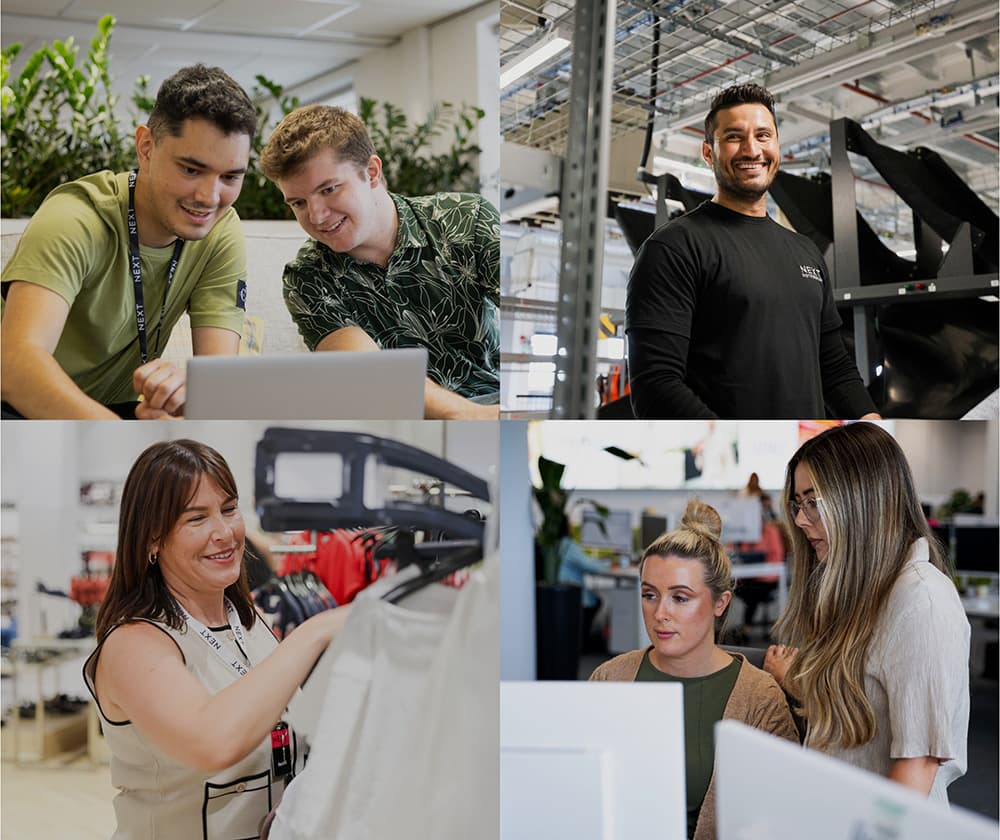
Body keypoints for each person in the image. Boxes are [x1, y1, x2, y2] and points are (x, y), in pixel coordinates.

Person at [83, 440, 351, 838]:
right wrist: (312, 633)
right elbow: (211, 742)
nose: (224, 533)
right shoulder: (135, 643)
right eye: (197, 519)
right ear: (153, 538)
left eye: (229, 509)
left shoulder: (249, 620)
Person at [1, 64, 255, 419]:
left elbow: (218, 382)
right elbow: (14, 366)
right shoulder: (75, 218)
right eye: (191, 170)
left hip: (119, 411)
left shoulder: (221, 230)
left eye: (230, 177)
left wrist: (183, 399)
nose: (209, 197)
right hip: (17, 406)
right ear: (146, 147)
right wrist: (120, 439)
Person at [625, 82, 881, 420]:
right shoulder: (673, 248)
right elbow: (656, 387)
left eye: (763, 136)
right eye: (733, 137)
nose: (751, 149)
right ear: (708, 153)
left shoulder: (805, 252)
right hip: (735, 462)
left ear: (776, 145)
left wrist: (871, 424)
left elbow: (833, 366)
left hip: (808, 454)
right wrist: (739, 448)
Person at [764, 422, 970, 801]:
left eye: (814, 502)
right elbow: (858, 717)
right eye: (798, 503)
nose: (799, 519)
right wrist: (796, 680)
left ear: (863, 501)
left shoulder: (920, 602)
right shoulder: (863, 594)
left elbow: (917, 768)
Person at [258, 104, 500, 420]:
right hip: (405, 424)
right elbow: (373, 375)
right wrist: (468, 417)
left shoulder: (467, 219)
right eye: (299, 203)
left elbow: (538, 311)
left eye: (329, 189)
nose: (316, 216)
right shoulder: (307, 278)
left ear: (372, 172)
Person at [590, 500, 798, 840]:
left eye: (680, 598)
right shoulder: (609, 679)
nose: (660, 614)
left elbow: (784, 812)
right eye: (649, 595)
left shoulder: (759, 698)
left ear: (720, 603)